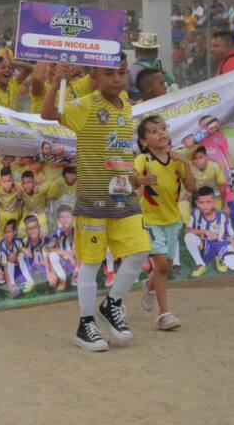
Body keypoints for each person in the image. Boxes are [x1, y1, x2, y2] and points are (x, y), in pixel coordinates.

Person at [41, 53, 152, 352]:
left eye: (122, 73)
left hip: (124, 196)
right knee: (90, 264)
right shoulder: (87, 106)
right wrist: (58, 79)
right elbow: (48, 112)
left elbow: (118, 150)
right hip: (93, 199)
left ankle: (112, 303)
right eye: (110, 74)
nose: (117, 79)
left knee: (140, 250)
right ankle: (85, 324)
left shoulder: (127, 102)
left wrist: (136, 178)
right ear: (95, 75)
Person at [134, 114, 194, 329]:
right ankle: (164, 315)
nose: (160, 133)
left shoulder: (177, 160)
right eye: (153, 131)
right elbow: (131, 179)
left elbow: (191, 187)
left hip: (173, 220)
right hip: (150, 220)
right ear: (143, 142)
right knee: (160, 264)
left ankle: (149, 285)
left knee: (165, 266)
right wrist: (142, 180)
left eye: (162, 129)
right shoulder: (144, 160)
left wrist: (186, 163)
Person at [185, 187, 234, 278]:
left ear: (214, 202)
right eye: (201, 202)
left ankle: (220, 257)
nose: (205, 206)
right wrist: (203, 231)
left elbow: (231, 237)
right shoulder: (194, 213)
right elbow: (187, 230)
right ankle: (200, 264)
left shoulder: (222, 217)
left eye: (208, 202)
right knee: (188, 237)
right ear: (197, 203)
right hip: (204, 245)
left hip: (221, 244)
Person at [129, 32, 176, 100]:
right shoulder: (159, 65)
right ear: (156, 53)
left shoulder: (133, 68)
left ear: (136, 53)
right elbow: (171, 80)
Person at [45, 205, 77, 290]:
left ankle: (76, 272)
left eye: (68, 216)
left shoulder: (77, 231)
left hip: (76, 255)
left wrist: (72, 255)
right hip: (64, 255)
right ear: (59, 220)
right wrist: (64, 253)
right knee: (52, 255)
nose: (65, 219)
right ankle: (63, 278)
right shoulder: (57, 233)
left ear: (73, 218)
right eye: (62, 217)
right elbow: (49, 248)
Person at [0, 167, 22, 238]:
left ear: (12, 180)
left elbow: (20, 196)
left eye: (9, 180)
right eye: (4, 181)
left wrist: (15, 185)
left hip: (15, 217)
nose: (7, 184)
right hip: (3, 219)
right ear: (0, 181)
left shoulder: (17, 187)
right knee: (1, 236)